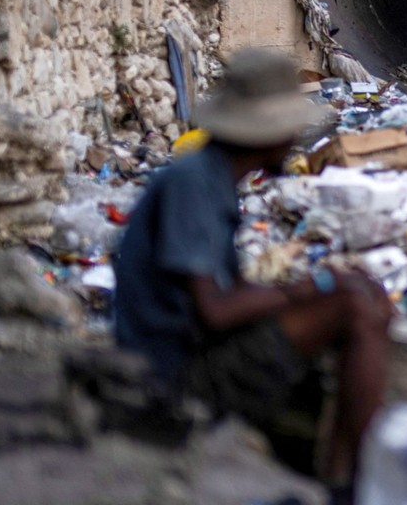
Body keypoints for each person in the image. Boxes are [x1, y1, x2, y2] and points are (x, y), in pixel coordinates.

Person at [113, 48, 391, 502]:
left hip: (190, 351)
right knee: (352, 306)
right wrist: (308, 288)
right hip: (172, 376)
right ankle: (361, 483)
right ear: (268, 133)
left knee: (359, 292)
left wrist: (311, 288)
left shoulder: (213, 179)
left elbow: (229, 292)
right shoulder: (193, 185)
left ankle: (341, 474)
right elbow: (217, 312)